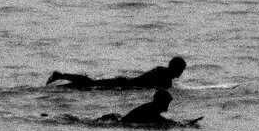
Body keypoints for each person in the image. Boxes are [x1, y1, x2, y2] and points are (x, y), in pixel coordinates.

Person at [47, 56, 185, 92]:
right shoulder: (166, 78)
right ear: (174, 67)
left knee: (91, 84)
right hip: (123, 86)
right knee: (90, 84)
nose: (180, 73)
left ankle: (62, 82)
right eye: (180, 70)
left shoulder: (160, 69)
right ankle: (60, 76)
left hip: (123, 83)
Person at [97, 89, 176, 126]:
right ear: (161, 101)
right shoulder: (151, 109)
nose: (167, 104)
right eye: (167, 102)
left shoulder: (152, 107)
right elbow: (158, 119)